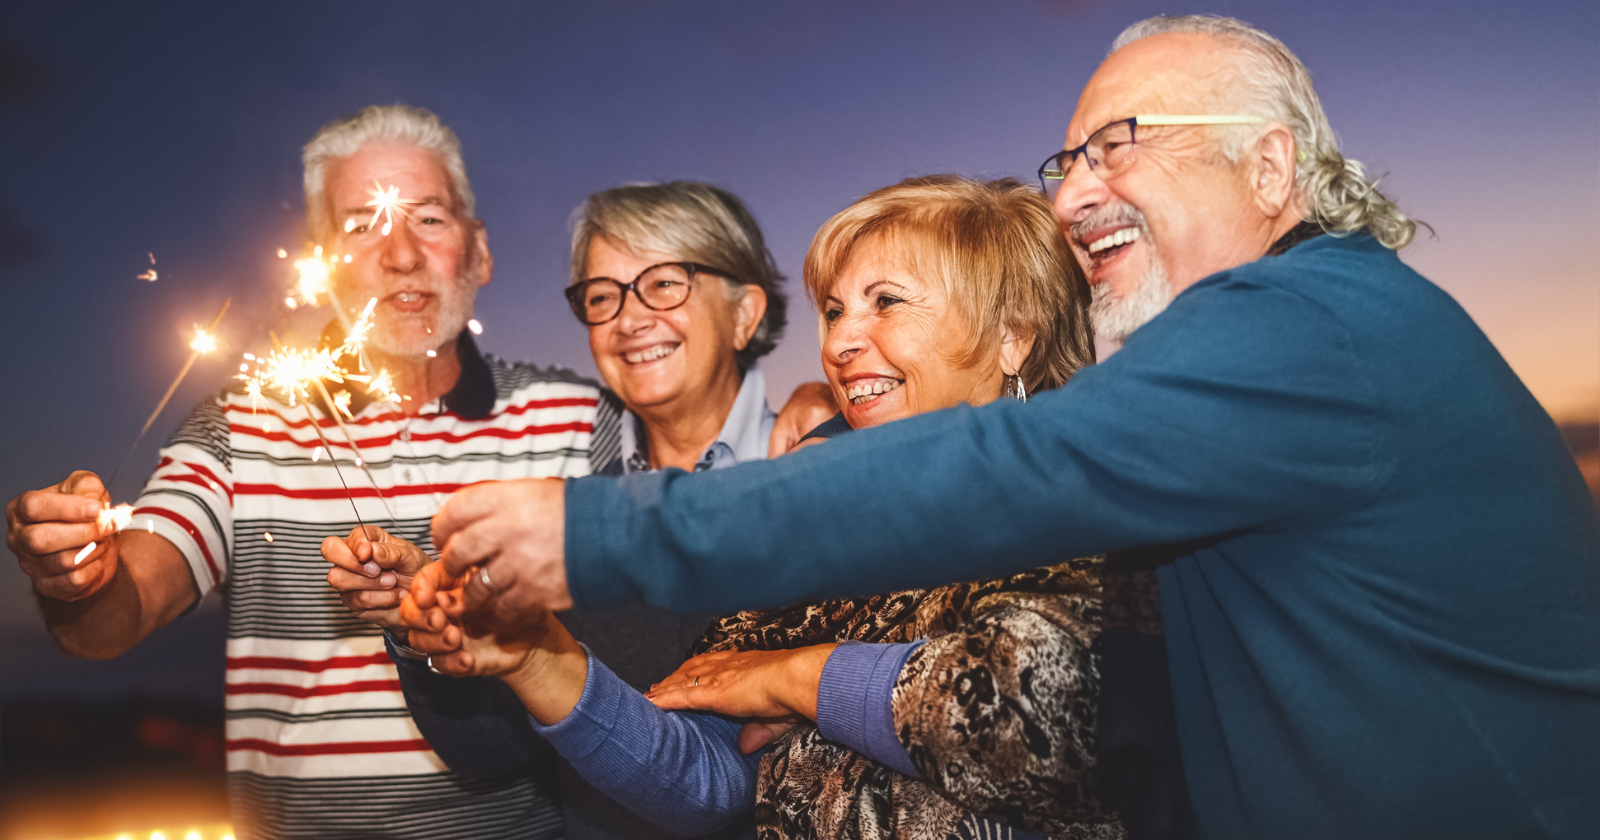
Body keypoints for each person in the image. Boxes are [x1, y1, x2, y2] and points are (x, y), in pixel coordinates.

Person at [414, 15, 1600, 840]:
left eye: (1118, 145)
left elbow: (1027, 504)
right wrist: (540, 659)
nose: (1071, 193)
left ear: (1270, 166)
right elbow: (711, 774)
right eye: (1066, 159)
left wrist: (596, 535)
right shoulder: (1289, 349)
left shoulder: (1304, 322)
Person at [365, 176, 1121, 839]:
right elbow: (709, 780)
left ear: (1013, 337)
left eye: (886, 301)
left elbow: (1038, 718)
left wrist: (793, 676)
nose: (842, 341)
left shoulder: (1086, 496)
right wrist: (537, 657)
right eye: (834, 311)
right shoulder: (811, 526)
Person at [328, 179, 801, 840]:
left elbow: (748, 778)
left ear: (745, 313)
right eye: (603, 296)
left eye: (665, 284)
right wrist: (428, 625)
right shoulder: (568, 519)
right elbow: (492, 752)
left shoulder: (817, 485)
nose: (629, 320)